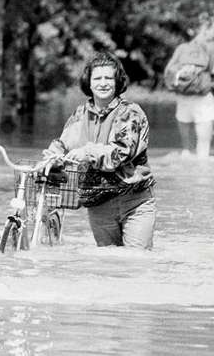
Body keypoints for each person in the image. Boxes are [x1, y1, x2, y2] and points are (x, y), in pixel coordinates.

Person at [43, 51, 157, 249]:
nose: (103, 83)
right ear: (89, 83)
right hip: (99, 205)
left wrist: (87, 152)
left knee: (137, 262)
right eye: (97, 78)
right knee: (109, 266)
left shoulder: (130, 112)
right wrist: (50, 157)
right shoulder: (81, 113)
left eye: (108, 78)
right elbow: (64, 143)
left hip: (135, 203)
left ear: (117, 82)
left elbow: (121, 152)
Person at [164, 14, 214, 159]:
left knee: (186, 152)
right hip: (203, 99)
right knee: (203, 152)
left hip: (182, 98)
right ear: (206, 30)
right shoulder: (211, 46)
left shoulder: (182, 48)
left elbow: (168, 72)